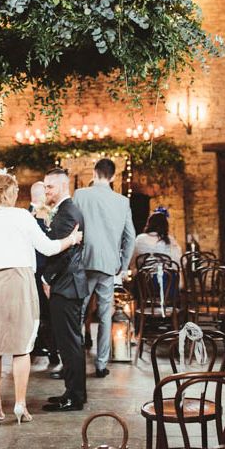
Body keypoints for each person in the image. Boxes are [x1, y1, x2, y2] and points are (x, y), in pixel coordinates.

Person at [0, 171, 82, 424]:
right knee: (21, 348)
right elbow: (48, 248)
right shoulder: (22, 217)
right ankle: (20, 405)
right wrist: (71, 239)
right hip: (20, 282)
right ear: (9, 192)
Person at [73, 158, 135, 378]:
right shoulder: (122, 202)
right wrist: (123, 264)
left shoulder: (80, 195)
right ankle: (100, 364)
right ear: (113, 176)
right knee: (105, 314)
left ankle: (75, 362)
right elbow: (130, 237)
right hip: (109, 265)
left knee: (78, 312)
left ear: (94, 172)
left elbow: (72, 227)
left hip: (83, 262)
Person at [40, 168, 88, 412]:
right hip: (67, 284)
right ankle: (72, 392)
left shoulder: (68, 212)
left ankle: (75, 397)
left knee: (70, 344)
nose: (46, 191)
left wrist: (47, 278)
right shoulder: (64, 210)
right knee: (68, 342)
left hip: (66, 285)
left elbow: (62, 253)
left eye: (49, 186)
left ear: (61, 186)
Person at [30, 181, 60, 368]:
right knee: (45, 315)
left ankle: (46, 349)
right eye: (46, 192)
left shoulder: (42, 213)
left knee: (43, 315)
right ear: (38, 195)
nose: (49, 195)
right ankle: (50, 351)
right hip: (38, 272)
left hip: (41, 272)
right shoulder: (33, 216)